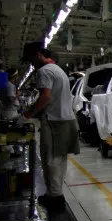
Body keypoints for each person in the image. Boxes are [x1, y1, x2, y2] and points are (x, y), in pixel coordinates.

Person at [22, 43, 80, 210]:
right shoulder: (58, 70)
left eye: (31, 59)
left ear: (39, 55)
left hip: (54, 121)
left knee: (50, 159)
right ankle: (55, 193)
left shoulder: (44, 71)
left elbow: (45, 97)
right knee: (60, 159)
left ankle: (55, 197)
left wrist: (28, 114)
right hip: (67, 119)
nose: (31, 64)